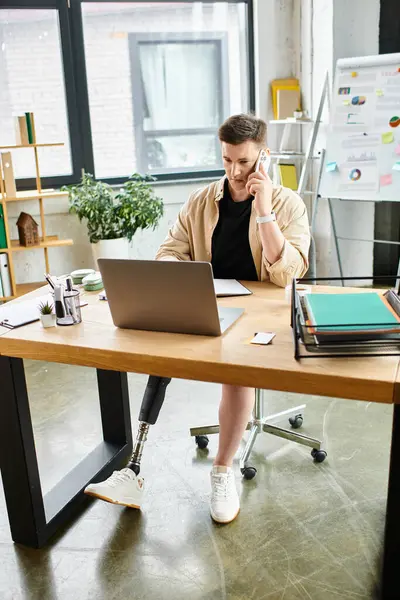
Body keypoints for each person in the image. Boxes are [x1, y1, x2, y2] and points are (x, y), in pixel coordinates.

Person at [84, 113, 310, 524]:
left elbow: (289, 271)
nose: (235, 171)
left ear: (264, 157)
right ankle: (132, 470)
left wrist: (263, 211)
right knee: (159, 351)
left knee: (236, 370)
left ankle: (223, 472)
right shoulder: (202, 201)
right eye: (227, 161)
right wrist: (176, 279)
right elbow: (170, 251)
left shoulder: (288, 204)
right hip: (212, 304)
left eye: (244, 162)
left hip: (263, 315)